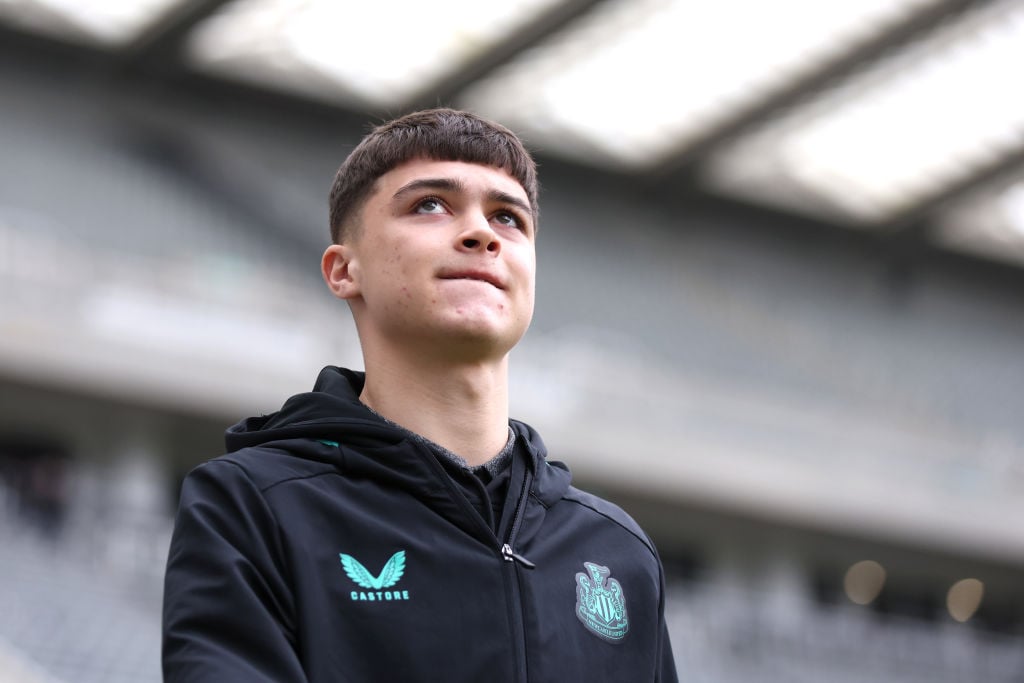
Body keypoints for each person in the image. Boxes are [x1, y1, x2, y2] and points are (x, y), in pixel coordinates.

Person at [162, 108, 678, 682]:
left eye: (509, 217)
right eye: (429, 204)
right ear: (343, 271)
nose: (482, 232)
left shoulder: (618, 551)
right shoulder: (252, 504)